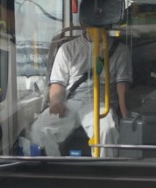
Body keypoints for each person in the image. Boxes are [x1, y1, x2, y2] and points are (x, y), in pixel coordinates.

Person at [28, 23, 132, 157]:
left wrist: (125, 114)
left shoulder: (120, 50)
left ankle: (105, 171)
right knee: (39, 129)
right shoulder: (68, 49)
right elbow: (58, 83)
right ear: (84, 25)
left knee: (106, 130)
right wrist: (55, 102)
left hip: (101, 103)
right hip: (72, 101)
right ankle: (54, 168)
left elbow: (122, 84)